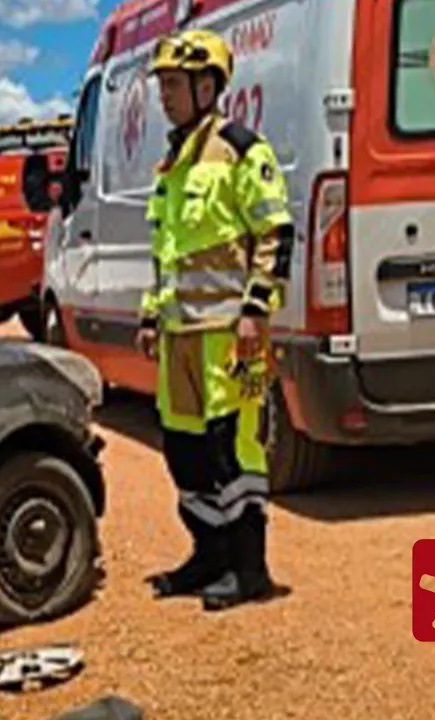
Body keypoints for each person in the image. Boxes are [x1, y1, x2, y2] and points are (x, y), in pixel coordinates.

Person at [133, 29, 294, 611]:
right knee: (185, 450)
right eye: (163, 86)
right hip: (180, 336)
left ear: (208, 86)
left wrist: (256, 309)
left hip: (230, 333)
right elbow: (168, 252)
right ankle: (210, 555)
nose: (164, 96)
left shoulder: (242, 149)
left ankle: (250, 570)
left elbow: (276, 234)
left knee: (234, 451)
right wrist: (152, 316)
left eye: (173, 85)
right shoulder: (173, 163)